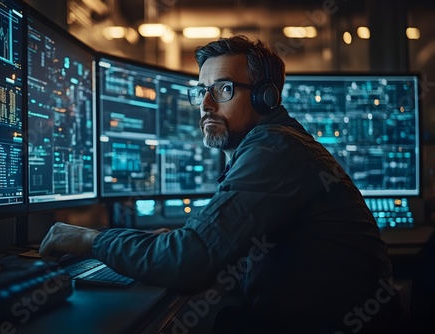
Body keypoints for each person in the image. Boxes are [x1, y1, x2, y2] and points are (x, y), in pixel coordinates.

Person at [40, 35, 407, 333]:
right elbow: (205, 247)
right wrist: (165, 243)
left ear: (267, 98)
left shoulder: (275, 148)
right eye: (200, 91)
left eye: (224, 89)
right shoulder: (277, 144)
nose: (206, 105)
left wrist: (89, 239)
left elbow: (191, 261)